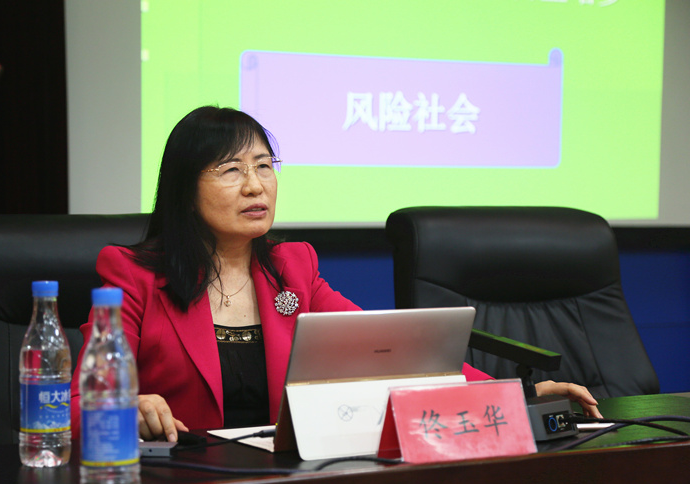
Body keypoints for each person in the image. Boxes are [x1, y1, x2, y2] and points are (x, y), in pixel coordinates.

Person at [69, 105, 600, 443]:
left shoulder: (292, 268)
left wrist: (514, 394)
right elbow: (75, 404)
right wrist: (124, 410)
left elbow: (392, 353)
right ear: (185, 191)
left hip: (283, 482)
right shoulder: (133, 276)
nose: (256, 185)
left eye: (264, 166)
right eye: (231, 170)